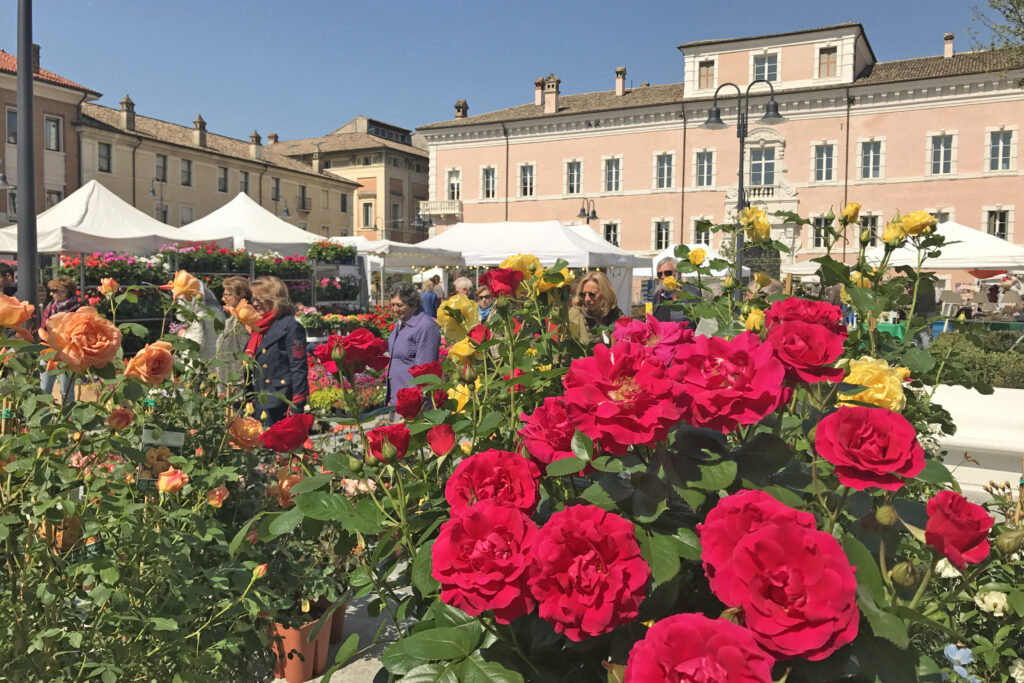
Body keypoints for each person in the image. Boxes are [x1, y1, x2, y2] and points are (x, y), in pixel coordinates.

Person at [247, 276, 309, 426]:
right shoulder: (258, 327)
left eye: (259, 299)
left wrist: (297, 405)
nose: (255, 304)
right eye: (253, 299)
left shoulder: (290, 326)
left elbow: (298, 367)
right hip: (260, 401)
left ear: (274, 299)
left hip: (280, 403)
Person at [386, 282, 441, 407]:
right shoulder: (401, 322)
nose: (395, 309)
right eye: (393, 304)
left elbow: (424, 370)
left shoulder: (425, 326)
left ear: (412, 303)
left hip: (412, 403)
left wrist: (410, 400)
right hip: (397, 398)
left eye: (399, 305)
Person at [40, 276, 81, 405]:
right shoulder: (50, 307)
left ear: (64, 291)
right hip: (49, 351)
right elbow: (43, 329)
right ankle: (42, 422)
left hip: (68, 353)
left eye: (54, 290)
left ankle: (66, 421)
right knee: (44, 390)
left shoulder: (78, 308)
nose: (51, 294)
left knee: (67, 391)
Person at [215, 276, 253, 396]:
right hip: (228, 386)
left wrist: (238, 384)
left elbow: (245, 354)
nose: (223, 299)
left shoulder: (244, 320)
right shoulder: (233, 319)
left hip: (237, 389)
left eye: (227, 295)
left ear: (240, 296)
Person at [569, 271, 624, 345]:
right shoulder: (574, 316)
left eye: (592, 294)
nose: (586, 299)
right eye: (583, 294)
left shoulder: (616, 315)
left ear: (605, 293)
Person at [651, 257, 698, 322]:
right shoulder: (657, 296)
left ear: (678, 274)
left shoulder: (691, 294)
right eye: (659, 274)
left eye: (668, 273)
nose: (663, 277)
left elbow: (699, 322)